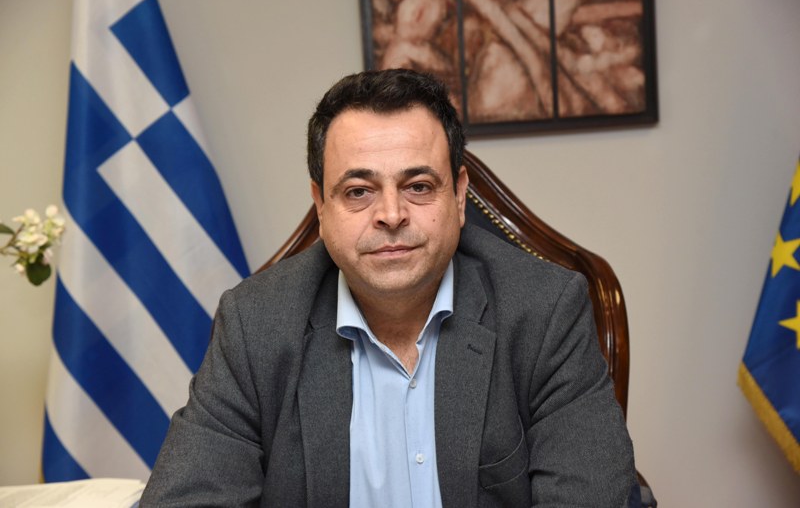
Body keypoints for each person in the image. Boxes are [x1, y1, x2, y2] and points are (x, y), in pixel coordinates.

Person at [140, 68, 636, 507]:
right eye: (359, 191)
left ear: (459, 196)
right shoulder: (255, 325)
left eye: (418, 186)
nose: (392, 214)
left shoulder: (544, 310)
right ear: (321, 206)